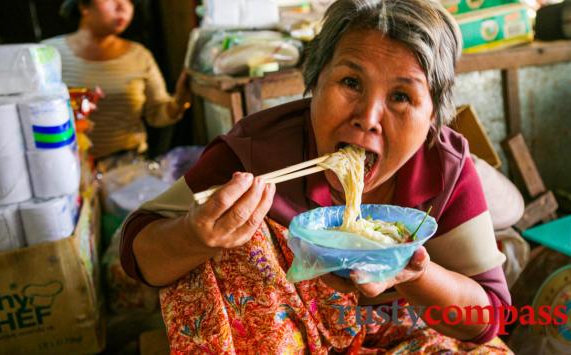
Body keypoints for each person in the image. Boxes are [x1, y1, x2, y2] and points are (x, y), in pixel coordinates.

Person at [120, 0, 513, 352]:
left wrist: (418, 274)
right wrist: (193, 235)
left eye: (400, 97)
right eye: (351, 82)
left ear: (432, 116)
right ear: (314, 82)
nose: (368, 118)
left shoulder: (443, 164)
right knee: (239, 240)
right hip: (281, 336)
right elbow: (138, 251)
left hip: (402, 330)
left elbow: (489, 316)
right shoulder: (256, 153)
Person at [43, 0, 191, 159]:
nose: (123, 7)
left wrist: (180, 100)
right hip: (68, 167)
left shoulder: (140, 56)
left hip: (128, 168)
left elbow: (157, 113)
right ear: (84, 6)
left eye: (130, 1)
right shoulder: (47, 54)